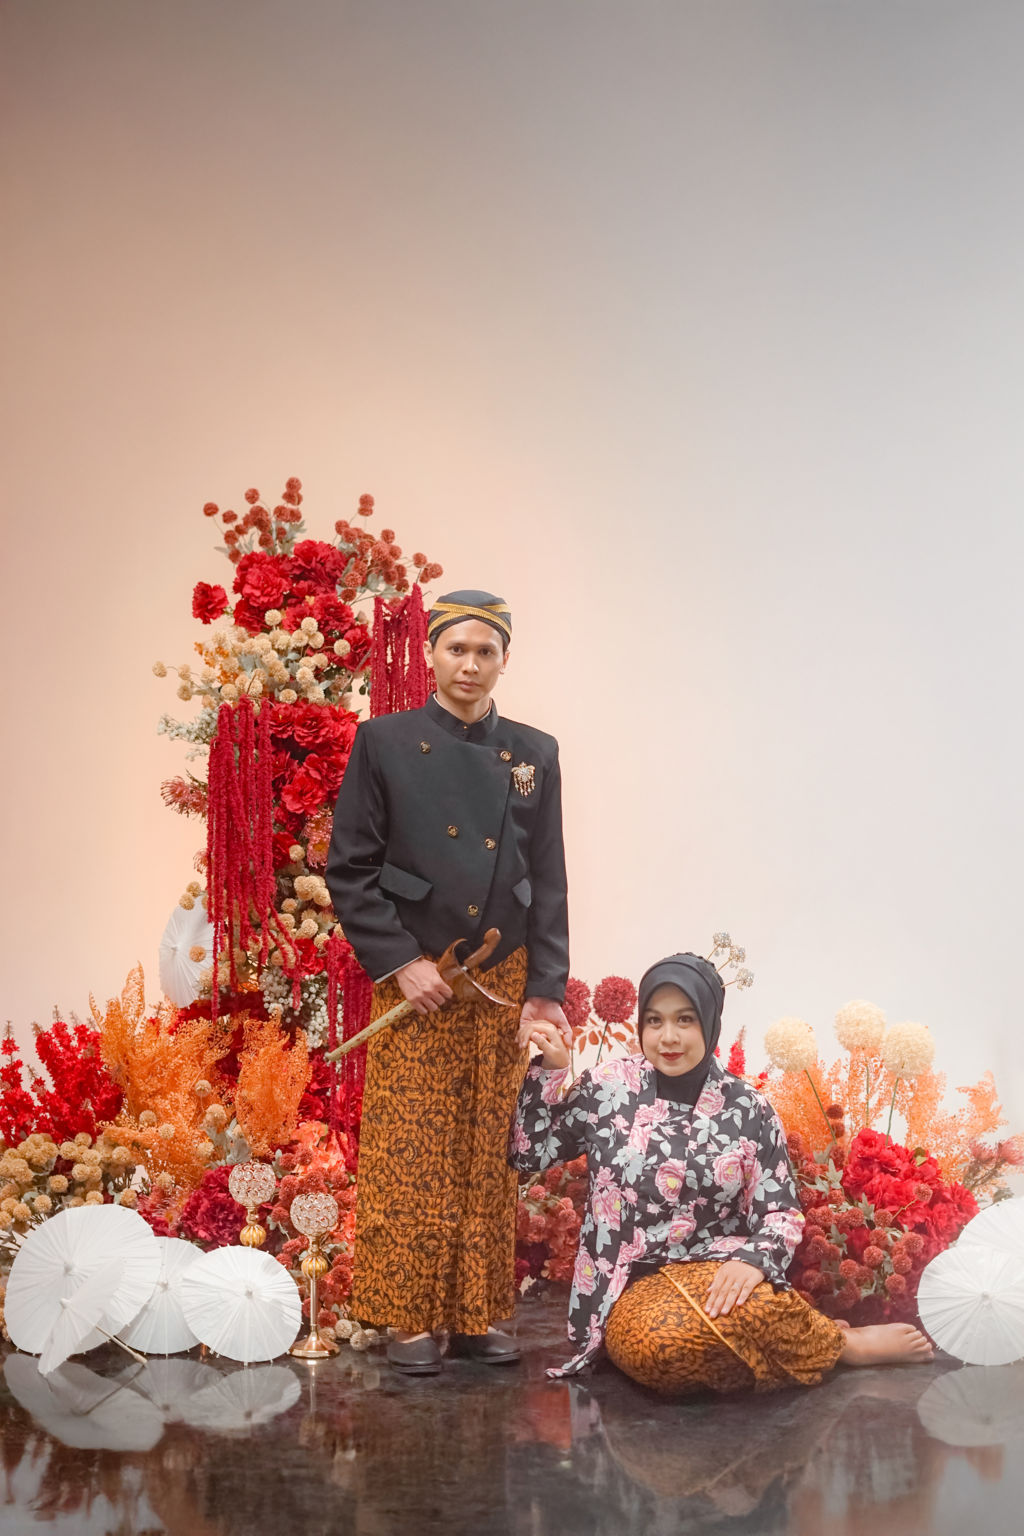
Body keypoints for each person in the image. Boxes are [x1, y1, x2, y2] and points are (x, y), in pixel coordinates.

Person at [327, 589, 570, 1374]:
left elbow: (549, 877)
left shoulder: (535, 751)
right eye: (456, 649)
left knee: (486, 1149)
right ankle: (407, 1320)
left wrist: (546, 987)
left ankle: (474, 1316)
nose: (470, 664)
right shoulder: (385, 742)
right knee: (411, 1146)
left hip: (500, 973)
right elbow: (350, 869)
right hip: (420, 975)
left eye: (485, 651)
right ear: (431, 654)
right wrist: (402, 962)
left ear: (505, 659)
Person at [511, 951, 935, 1388]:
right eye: (654, 1021)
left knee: (751, 1309)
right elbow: (528, 1155)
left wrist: (752, 1262)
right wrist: (553, 1071)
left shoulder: (749, 1110)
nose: (668, 1037)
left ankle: (826, 1340)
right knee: (662, 1348)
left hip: (715, 1274)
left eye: (685, 1019)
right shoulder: (608, 1087)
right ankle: (836, 1344)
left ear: (710, 1022)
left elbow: (780, 1213)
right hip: (623, 1286)